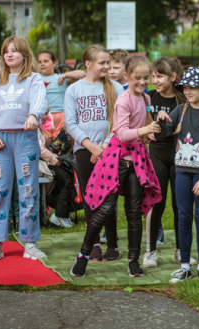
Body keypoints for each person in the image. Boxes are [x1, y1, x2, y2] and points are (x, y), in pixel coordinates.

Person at [70, 56, 162, 279]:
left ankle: (133, 261)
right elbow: (121, 134)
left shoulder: (146, 97)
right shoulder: (124, 100)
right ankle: (82, 257)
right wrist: (143, 131)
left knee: (134, 212)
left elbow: (139, 129)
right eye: (137, 78)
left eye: (145, 78)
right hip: (117, 159)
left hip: (137, 159)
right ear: (127, 76)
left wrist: (147, 134)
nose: (142, 82)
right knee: (105, 208)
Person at [156, 66, 199, 283]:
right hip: (182, 173)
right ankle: (185, 265)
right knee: (184, 218)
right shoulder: (180, 111)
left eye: (193, 87)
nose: (187, 90)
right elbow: (166, 133)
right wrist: (161, 120)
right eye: (185, 86)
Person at [0, 36, 48, 262]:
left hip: (25, 139)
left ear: (24, 54)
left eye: (15, 51)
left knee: (28, 189)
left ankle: (29, 242)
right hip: (0, 141)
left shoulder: (34, 79)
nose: (9, 54)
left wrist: (33, 115)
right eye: (6, 51)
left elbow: (40, 102)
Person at [63, 45, 124, 260]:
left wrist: (104, 146)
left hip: (110, 149)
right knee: (91, 196)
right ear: (88, 64)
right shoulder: (74, 90)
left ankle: (113, 244)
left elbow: (119, 121)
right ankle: (94, 242)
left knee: (108, 195)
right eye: (102, 63)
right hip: (84, 150)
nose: (107, 66)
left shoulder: (116, 88)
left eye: (108, 63)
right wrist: (91, 146)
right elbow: (70, 124)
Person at [143, 57, 186, 268]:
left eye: (159, 76)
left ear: (173, 77)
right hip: (157, 155)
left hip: (180, 156)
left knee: (180, 205)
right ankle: (150, 251)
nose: (155, 80)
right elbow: (138, 124)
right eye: (153, 76)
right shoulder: (148, 97)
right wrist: (146, 132)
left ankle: (181, 250)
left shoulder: (183, 100)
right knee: (156, 203)